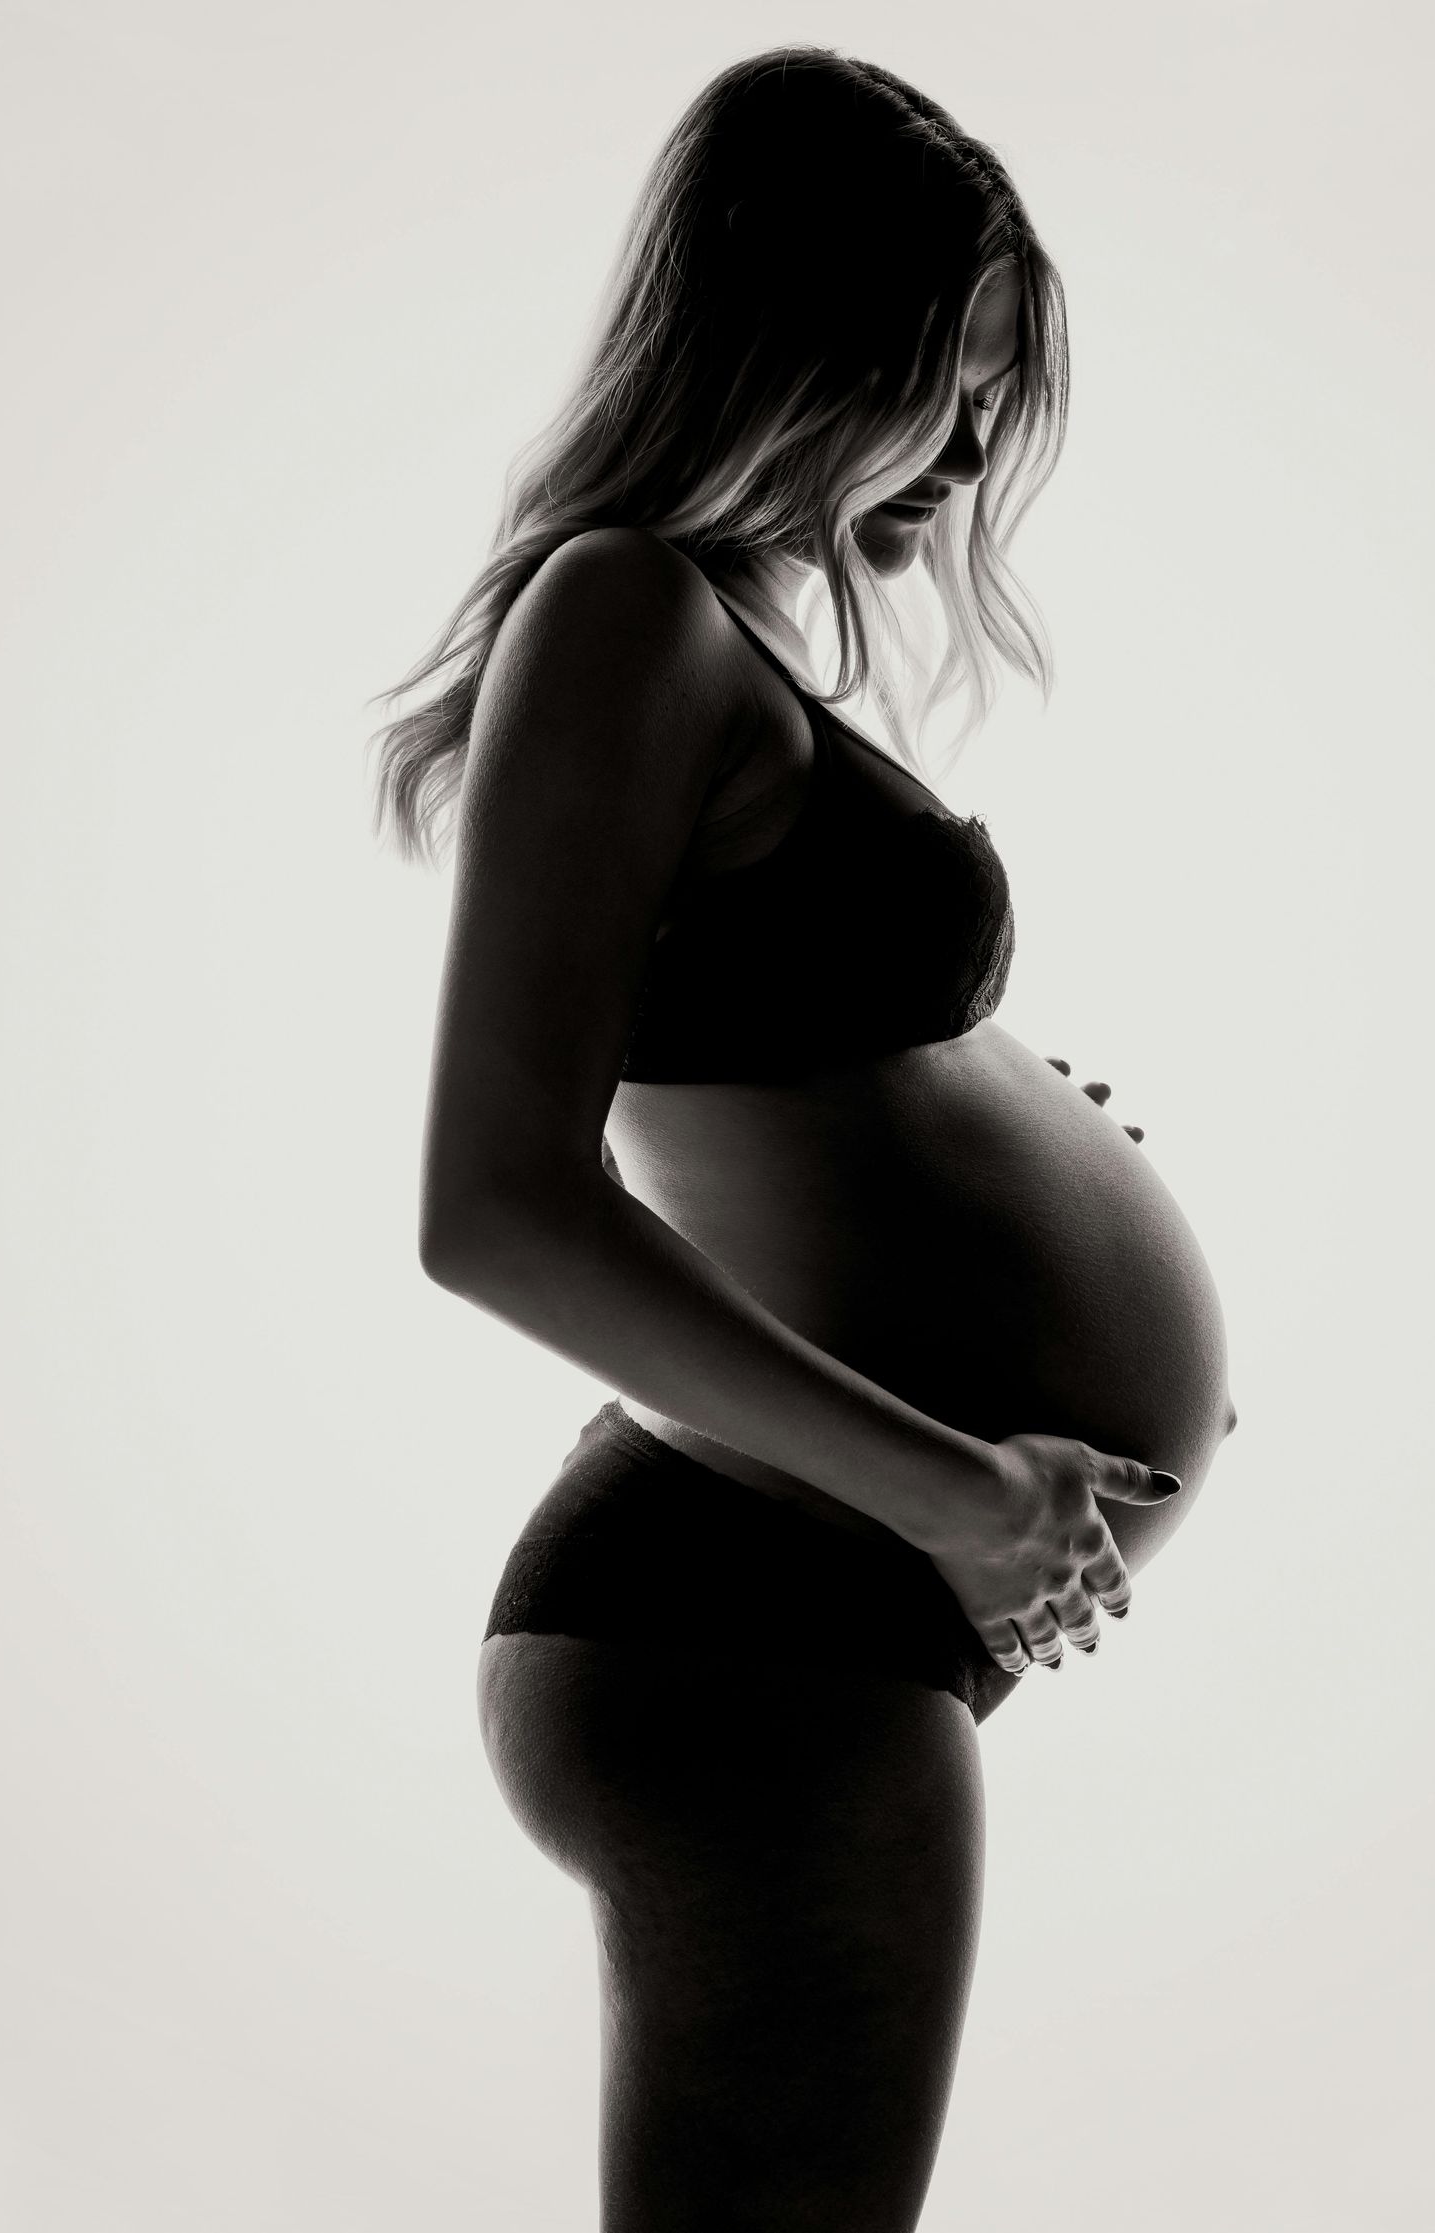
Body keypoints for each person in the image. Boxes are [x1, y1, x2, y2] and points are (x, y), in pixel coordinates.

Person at [370, 46, 1237, 2231]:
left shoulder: (722, 636)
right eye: (935, 378)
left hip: (807, 1606)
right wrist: (964, 1480)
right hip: (756, 1619)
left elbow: (750, 1081)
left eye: (989, 394)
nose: (963, 447)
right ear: (790, 340)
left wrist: (981, 1127)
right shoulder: (625, 610)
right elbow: (491, 1210)